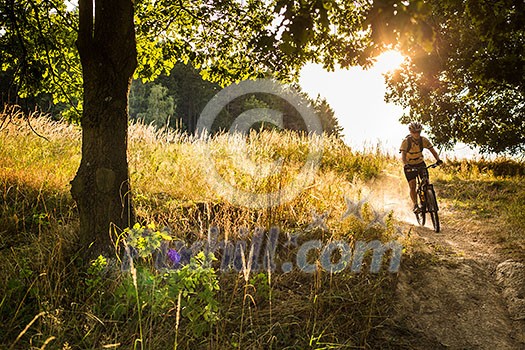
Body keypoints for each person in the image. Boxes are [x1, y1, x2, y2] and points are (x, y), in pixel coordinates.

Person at [399, 122, 443, 212]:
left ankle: (429, 198)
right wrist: (405, 165)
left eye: (419, 132)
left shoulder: (423, 140)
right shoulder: (406, 142)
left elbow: (433, 151)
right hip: (409, 165)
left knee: (426, 181)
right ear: (411, 132)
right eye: (414, 132)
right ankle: (415, 205)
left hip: (420, 163)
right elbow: (403, 156)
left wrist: (438, 160)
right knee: (412, 186)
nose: (417, 134)